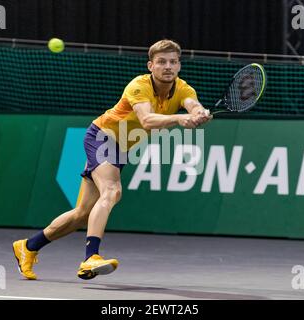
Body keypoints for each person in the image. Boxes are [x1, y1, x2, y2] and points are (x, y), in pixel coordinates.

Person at [12, 39, 213, 280]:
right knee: (112, 191)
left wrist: (198, 113)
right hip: (101, 136)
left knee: (82, 214)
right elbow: (147, 120)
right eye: (161, 62)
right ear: (151, 65)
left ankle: (28, 246)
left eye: (172, 62)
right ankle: (90, 258)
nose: (167, 66)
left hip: (122, 147)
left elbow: (193, 105)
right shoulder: (138, 86)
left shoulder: (184, 89)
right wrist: (180, 120)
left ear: (179, 66)